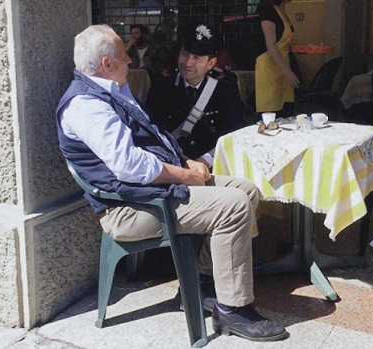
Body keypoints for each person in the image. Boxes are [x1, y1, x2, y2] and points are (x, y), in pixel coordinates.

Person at [56, 24, 287, 342]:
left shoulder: (113, 90)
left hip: (151, 190)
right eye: (124, 55)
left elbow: (152, 140)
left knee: (245, 189)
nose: (131, 61)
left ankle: (204, 282)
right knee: (233, 206)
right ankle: (234, 310)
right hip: (129, 207)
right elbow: (129, 166)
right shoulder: (87, 105)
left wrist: (185, 162)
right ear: (107, 64)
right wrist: (185, 175)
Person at [146, 23, 252, 170]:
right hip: (171, 167)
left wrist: (205, 161)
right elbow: (150, 130)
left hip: (211, 168)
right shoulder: (162, 87)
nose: (188, 63)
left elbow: (234, 134)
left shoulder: (224, 92)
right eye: (184, 54)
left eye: (196, 57)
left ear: (211, 63)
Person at [255, 0, 301, 117]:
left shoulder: (281, 10)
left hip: (283, 66)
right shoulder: (268, 12)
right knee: (271, 115)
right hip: (269, 68)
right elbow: (270, 45)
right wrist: (288, 72)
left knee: (286, 112)